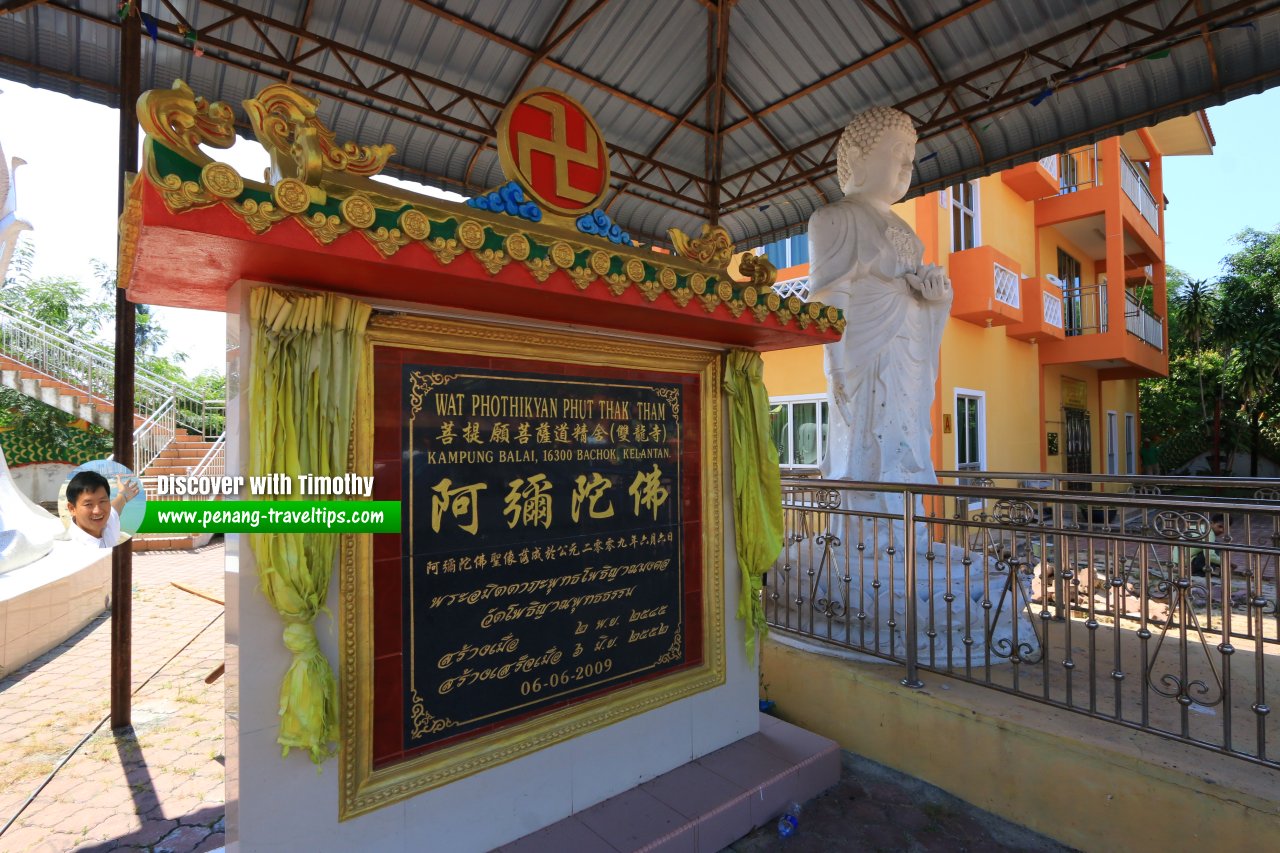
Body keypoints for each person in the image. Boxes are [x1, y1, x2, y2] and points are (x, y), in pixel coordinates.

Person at [808, 106, 951, 505]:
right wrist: (836, 364)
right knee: (866, 443)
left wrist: (935, 297)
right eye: (897, 153)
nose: (907, 164)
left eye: (911, 156)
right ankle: (865, 540)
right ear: (856, 160)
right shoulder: (833, 219)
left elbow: (921, 297)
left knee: (905, 443)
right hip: (864, 356)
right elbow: (830, 300)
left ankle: (909, 537)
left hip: (908, 357)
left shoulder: (909, 232)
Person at [63, 470, 139, 549]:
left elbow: (116, 507)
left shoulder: (108, 522)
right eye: (88, 504)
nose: (98, 511)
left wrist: (123, 495)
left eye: (102, 501)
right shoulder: (71, 547)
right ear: (72, 509)